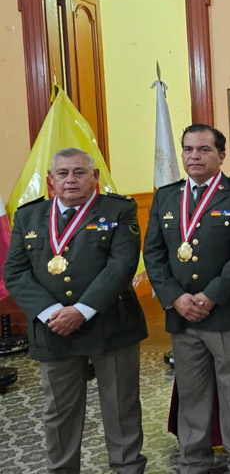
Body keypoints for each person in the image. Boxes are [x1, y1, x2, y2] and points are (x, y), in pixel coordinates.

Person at [3, 147, 148, 474]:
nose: (71, 179)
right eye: (63, 173)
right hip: (53, 328)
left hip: (112, 325)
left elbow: (122, 265)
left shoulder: (118, 210)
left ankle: (128, 469)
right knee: (59, 412)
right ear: (51, 180)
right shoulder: (28, 216)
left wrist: (81, 310)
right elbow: (14, 272)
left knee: (121, 409)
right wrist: (52, 311)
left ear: (95, 177)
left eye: (80, 172)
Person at [143, 124, 230, 474]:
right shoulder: (166, 196)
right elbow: (153, 253)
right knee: (191, 394)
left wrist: (210, 296)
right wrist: (175, 298)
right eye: (188, 150)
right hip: (182, 315)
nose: (194, 156)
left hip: (227, 313)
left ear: (221, 155)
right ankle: (194, 460)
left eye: (204, 150)